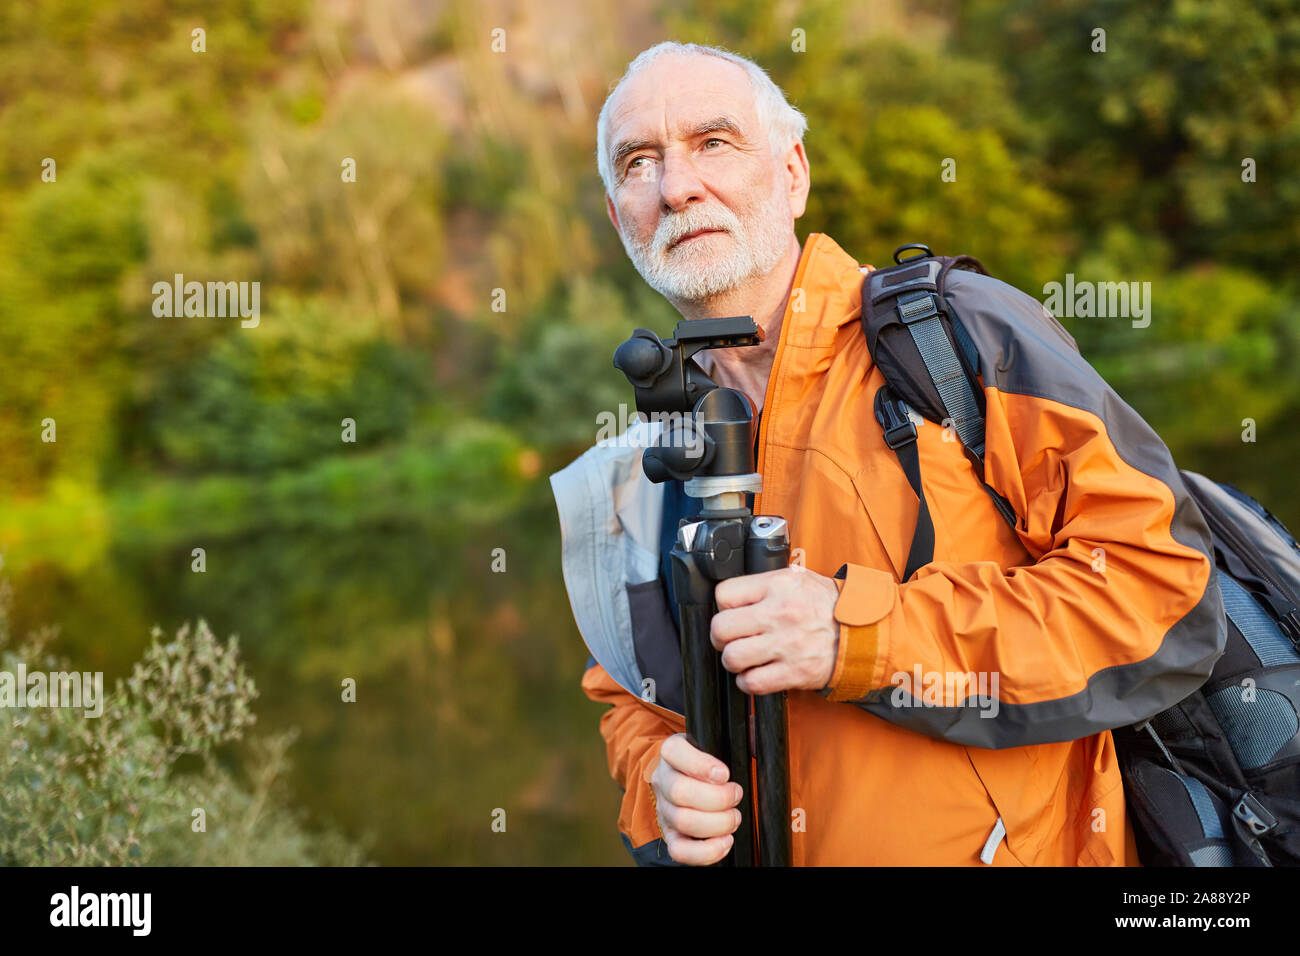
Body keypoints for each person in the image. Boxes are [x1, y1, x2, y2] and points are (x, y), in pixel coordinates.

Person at [549, 41, 1224, 866]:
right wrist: (659, 783)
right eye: (639, 162)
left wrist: (858, 639)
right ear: (620, 216)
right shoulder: (634, 471)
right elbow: (632, 703)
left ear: (792, 173)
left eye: (712, 142)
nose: (677, 185)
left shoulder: (956, 341)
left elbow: (1164, 594)